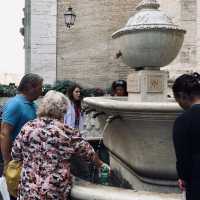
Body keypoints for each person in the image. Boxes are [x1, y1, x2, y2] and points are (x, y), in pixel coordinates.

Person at [11, 90, 109, 200]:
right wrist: (101, 165)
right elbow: (89, 153)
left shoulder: (28, 127)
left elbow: (15, 154)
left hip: (28, 189)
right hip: (53, 191)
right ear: (63, 110)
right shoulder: (67, 131)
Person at [0, 73, 43, 199]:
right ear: (30, 87)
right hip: (16, 162)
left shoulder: (33, 105)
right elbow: (4, 134)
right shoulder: (15, 104)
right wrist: (7, 162)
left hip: (30, 163)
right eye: (40, 87)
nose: (41, 91)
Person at [172, 72, 200, 200]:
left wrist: (183, 177)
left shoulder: (183, 120)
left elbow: (183, 157)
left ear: (182, 96)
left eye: (177, 99)